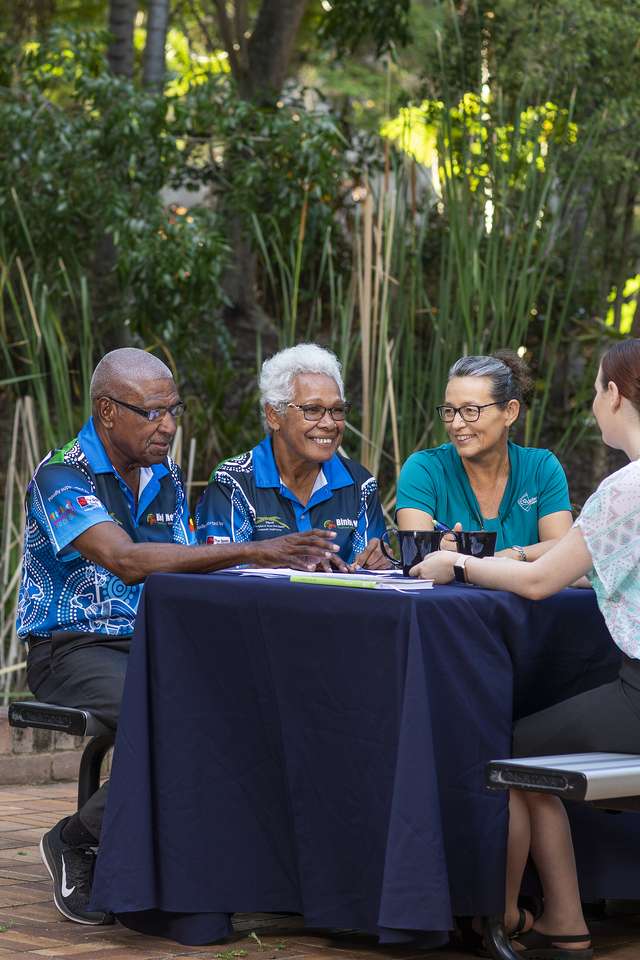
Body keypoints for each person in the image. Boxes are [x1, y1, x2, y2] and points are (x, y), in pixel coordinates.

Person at [17, 347, 340, 927]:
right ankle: (76, 838)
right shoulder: (63, 474)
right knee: (180, 715)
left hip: (156, 644)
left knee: (262, 704)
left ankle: (250, 871)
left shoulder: (159, 473)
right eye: (151, 413)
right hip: (74, 648)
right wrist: (255, 548)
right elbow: (128, 561)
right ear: (107, 411)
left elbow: (191, 563)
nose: (167, 426)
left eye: (174, 411)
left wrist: (288, 567)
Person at [410, 338, 640, 959]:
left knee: (510, 747)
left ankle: (510, 914)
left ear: (616, 395)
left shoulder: (625, 490)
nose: (594, 403)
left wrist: (459, 565)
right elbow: (578, 561)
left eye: (596, 391)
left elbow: (543, 581)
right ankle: (563, 916)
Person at [196, 343, 390, 570]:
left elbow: (368, 576)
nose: (329, 423)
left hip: (338, 606)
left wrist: (378, 562)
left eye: (337, 410)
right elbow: (221, 576)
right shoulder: (234, 481)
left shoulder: (359, 483)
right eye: (312, 409)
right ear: (274, 415)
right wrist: (291, 564)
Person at [396, 351, 573, 560]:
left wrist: (505, 557)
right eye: (450, 411)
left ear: (510, 412)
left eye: (471, 410)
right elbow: (419, 560)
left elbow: (565, 552)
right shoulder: (423, 469)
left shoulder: (541, 468)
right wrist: (436, 551)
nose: (456, 424)